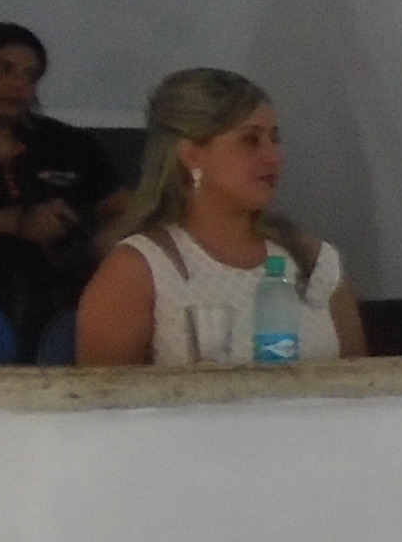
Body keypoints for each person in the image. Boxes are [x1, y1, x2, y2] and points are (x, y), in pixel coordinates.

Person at [70, 68, 367, 365]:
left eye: (274, 139)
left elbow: (361, 383)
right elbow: (105, 390)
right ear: (192, 155)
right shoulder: (139, 270)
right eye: (250, 140)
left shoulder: (312, 261)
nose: (273, 156)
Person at [0, 22, 124, 357]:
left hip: (65, 318)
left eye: (30, 76)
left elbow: (126, 211)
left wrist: (90, 236)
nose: (19, 85)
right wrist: (10, 221)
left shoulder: (68, 144)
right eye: (5, 70)